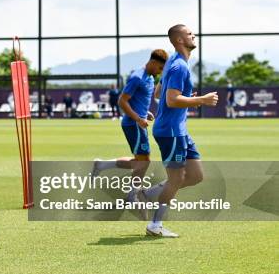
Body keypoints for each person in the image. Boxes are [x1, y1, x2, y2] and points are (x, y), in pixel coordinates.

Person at [142, 24, 218, 237]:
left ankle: (145, 195)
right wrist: (200, 99)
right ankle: (154, 225)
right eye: (189, 33)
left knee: (195, 176)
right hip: (170, 131)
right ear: (179, 40)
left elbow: (159, 92)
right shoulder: (179, 66)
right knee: (175, 179)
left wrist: (187, 96)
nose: (194, 35)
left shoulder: (175, 62)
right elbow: (170, 99)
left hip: (179, 130)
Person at [91, 49, 168, 218]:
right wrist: (138, 119)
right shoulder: (137, 77)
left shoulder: (149, 77)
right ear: (153, 63)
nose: (160, 72)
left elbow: (137, 100)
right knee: (144, 162)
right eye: (160, 68)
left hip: (137, 123)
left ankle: (102, 166)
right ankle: (132, 196)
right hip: (134, 125)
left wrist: (145, 112)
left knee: (139, 162)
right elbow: (122, 101)